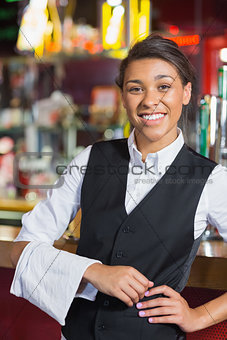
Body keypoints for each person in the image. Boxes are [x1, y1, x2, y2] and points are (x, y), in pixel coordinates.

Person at [10, 34, 227, 340]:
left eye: (164, 86)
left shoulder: (212, 180)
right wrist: (93, 271)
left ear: (186, 92)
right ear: (123, 97)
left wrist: (198, 316)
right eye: (135, 88)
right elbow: (21, 250)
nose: (150, 100)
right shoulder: (91, 159)